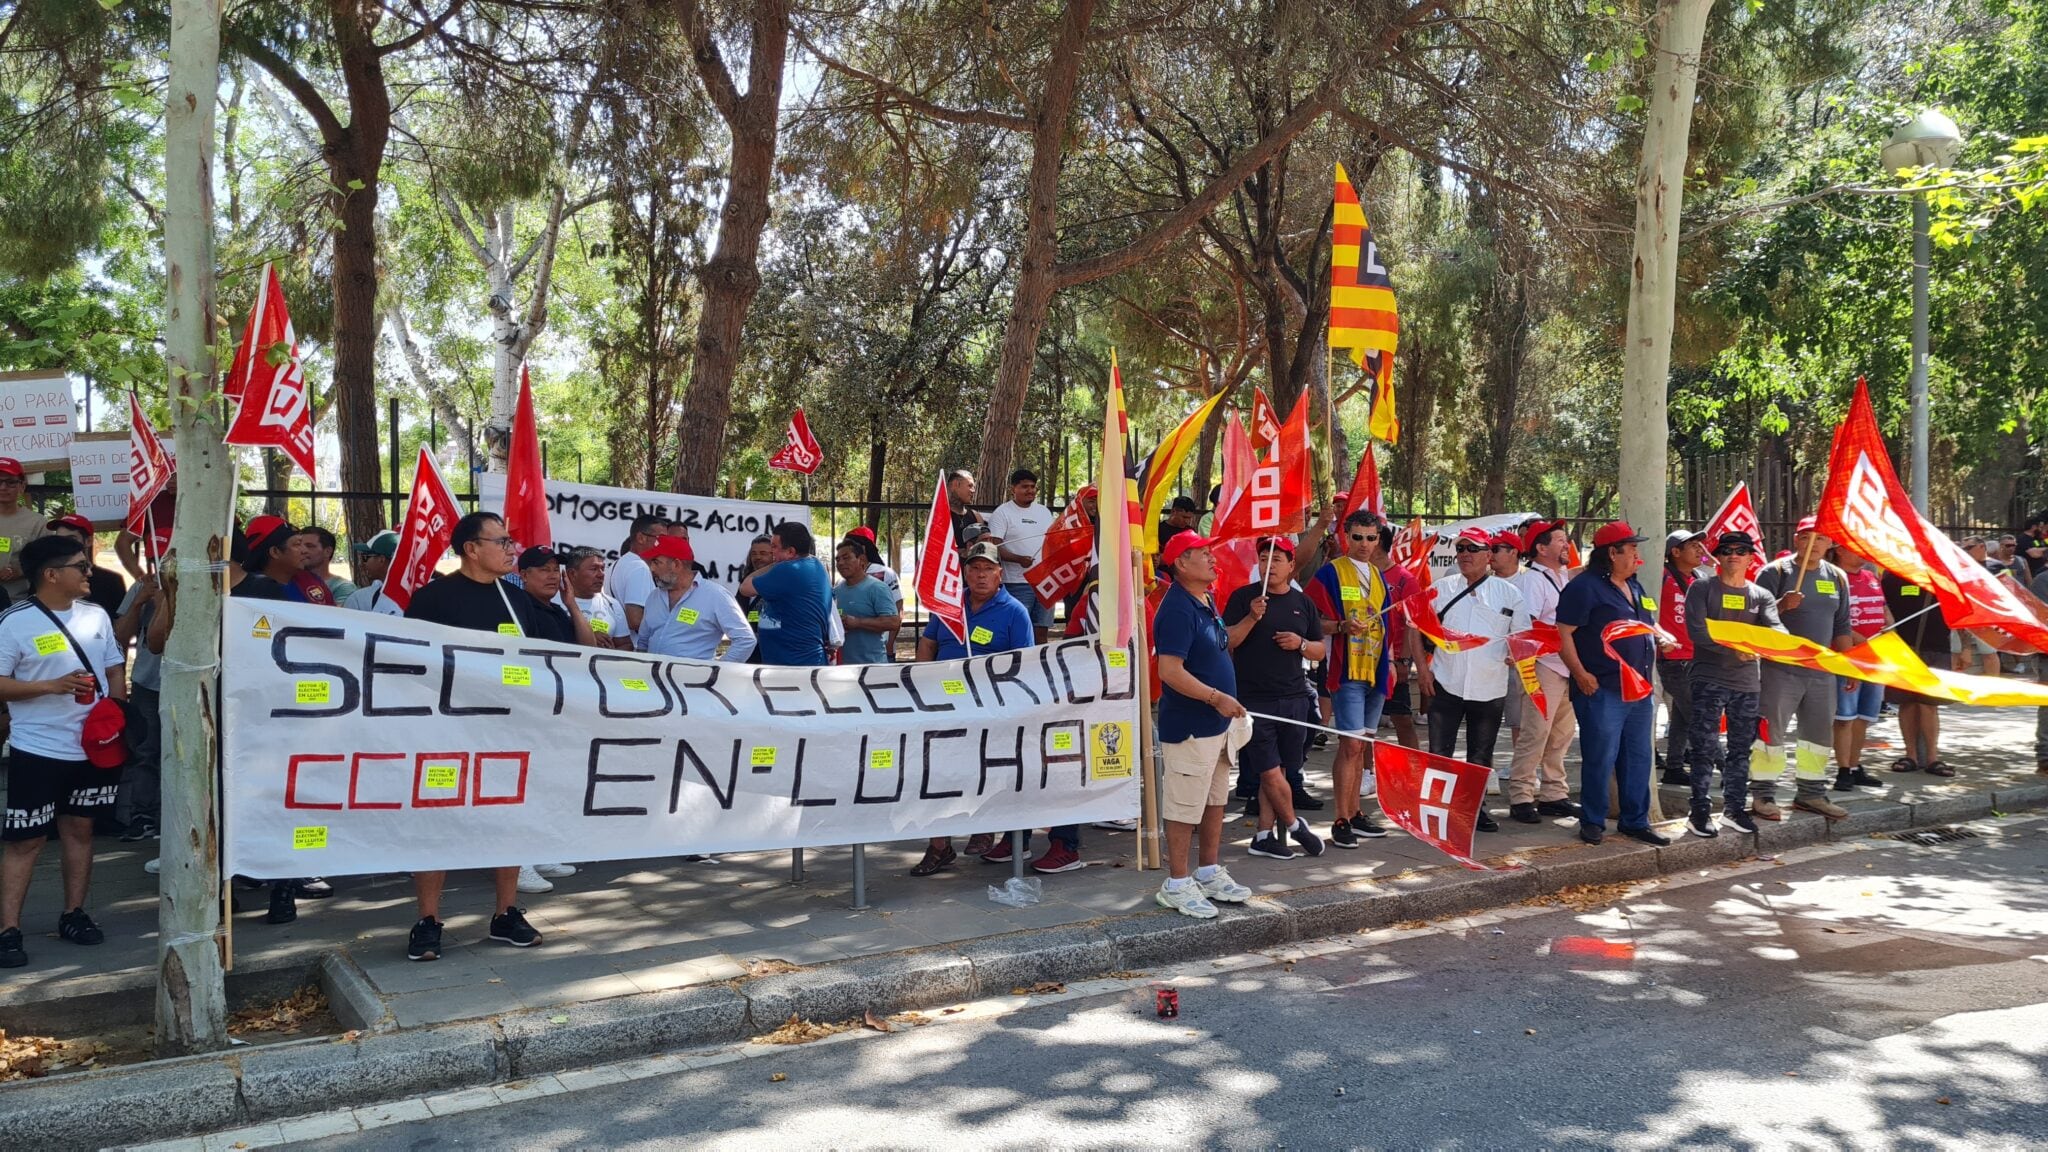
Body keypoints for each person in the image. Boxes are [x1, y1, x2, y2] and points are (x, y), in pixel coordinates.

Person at [400, 511, 548, 961]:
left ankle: (505, 913)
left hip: (506, 732)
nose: (511, 549)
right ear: (470, 548)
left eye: (511, 540)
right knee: (437, 818)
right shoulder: (434, 599)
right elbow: (410, 663)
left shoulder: (516, 600)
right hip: (446, 731)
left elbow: (536, 661)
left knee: (507, 816)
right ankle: (427, 920)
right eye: (501, 541)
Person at [0, 535, 127, 968]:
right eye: (80, 565)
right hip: (37, 749)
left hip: (92, 749)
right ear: (52, 574)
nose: (90, 571)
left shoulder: (96, 616)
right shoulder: (14, 622)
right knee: (26, 840)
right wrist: (50, 686)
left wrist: (116, 709)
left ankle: (74, 914)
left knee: (81, 832)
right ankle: (8, 930)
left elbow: (113, 664)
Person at [908, 541, 1037, 876]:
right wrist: (923, 681)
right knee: (937, 774)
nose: (981, 575)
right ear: (964, 573)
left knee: (985, 772)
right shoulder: (949, 606)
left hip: (989, 711)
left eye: (988, 569)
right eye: (975, 569)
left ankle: (984, 828)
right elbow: (928, 642)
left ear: (999, 574)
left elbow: (1024, 664)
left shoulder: (1014, 612)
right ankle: (939, 846)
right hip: (943, 706)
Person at [1150, 532, 1254, 918]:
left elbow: (1221, 647)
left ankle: (1208, 870)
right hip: (1192, 725)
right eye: (1204, 554)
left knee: (1214, 799)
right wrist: (1215, 697)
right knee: (1183, 804)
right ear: (1181, 563)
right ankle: (1177, 882)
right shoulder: (1176, 608)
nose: (1213, 559)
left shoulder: (1206, 600)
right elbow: (1170, 672)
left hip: (1218, 726)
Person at [1557, 521, 1678, 846]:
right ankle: (1593, 820)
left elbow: (1645, 623)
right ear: (1612, 553)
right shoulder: (1583, 588)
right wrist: (1580, 674)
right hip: (1602, 689)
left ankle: (1634, 820)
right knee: (1601, 756)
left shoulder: (1635, 586)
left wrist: (1662, 636)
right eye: (1632, 549)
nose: (1637, 555)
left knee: (1638, 757)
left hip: (1638, 690)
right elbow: (1563, 634)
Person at [1414, 526, 1527, 835]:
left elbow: (1522, 637)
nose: (1464, 554)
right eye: (1460, 548)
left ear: (1488, 555)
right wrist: (1422, 671)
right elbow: (1415, 627)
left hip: (1489, 685)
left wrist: (1516, 654)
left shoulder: (1510, 594)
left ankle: (1474, 811)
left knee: (1480, 754)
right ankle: (1435, 814)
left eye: (1472, 549)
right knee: (1440, 753)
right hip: (1445, 682)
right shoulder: (1441, 588)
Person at [1223, 536, 1327, 861]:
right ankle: (1296, 826)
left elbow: (1319, 650)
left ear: (1292, 565)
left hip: (1294, 695)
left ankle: (1264, 835)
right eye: (1264, 557)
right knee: (1268, 770)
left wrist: (1299, 644)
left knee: (1280, 769)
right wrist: (1252, 618)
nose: (1270, 564)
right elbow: (1227, 642)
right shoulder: (1243, 598)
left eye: (1278, 558)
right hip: (1253, 699)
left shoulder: (1303, 602)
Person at [1682, 531, 1783, 838]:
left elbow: (1775, 628)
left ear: (1751, 558)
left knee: (1741, 749)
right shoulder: (1701, 588)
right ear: (1718, 557)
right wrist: (1732, 649)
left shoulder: (1761, 595)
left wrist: (1784, 641)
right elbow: (1697, 632)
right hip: (1708, 679)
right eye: (1726, 550)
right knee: (1704, 747)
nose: (1733, 555)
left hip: (1748, 683)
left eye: (1741, 550)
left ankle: (1734, 809)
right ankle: (1698, 811)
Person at [1753, 516, 1854, 821]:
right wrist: (1782, 606)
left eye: (1820, 538)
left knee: (1818, 735)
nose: (1813, 544)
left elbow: (1842, 624)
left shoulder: (1837, 577)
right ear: (1796, 540)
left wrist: (1847, 666)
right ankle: (1762, 793)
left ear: (1830, 544)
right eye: (1806, 536)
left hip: (1821, 671)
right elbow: (1753, 618)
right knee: (1771, 733)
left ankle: (1811, 794)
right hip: (1780, 669)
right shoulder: (1775, 572)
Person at [508, 547, 597, 894]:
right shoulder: (516, 607)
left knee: (546, 784)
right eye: (542, 569)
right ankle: (519, 864)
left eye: (554, 570)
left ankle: (540, 851)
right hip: (526, 710)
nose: (550, 576)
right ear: (524, 574)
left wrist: (572, 604)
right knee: (523, 785)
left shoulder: (558, 610)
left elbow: (588, 647)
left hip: (556, 712)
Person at [1305, 511, 1394, 847]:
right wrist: (1340, 627)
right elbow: (1312, 622)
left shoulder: (1376, 574)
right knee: (1351, 745)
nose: (1364, 545)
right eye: (1357, 537)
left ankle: (1356, 813)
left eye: (1371, 538)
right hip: (1346, 670)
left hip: (1376, 670)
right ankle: (1340, 817)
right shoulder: (1330, 573)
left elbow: (1385, 624)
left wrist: (1390, 660)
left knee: (1363, 745)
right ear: (1346, 536)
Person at [1506, 519, 1581, 825]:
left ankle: (1554, 793)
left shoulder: (1561, 575)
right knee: (1535, 732)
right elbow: (1528, 626)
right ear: (1541, 548)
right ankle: (1521, 795)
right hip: (1544, 665)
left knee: (1561, 735)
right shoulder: (1533, 581)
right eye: (1561, 540)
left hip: (1566, 664)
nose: (1567, 545)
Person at [111, 570, 171, 844]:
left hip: (192, 680)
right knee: (145, 750)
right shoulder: (144, 584)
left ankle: (173, 819)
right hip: (148, 681)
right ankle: (142, 817)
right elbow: (121, 638)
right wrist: (139, 601)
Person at [637, 535, 755, 661]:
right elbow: (643, 642)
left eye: (656, 562)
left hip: (692, 680)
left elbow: (745, 639)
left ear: (676, 564)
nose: (652, 569)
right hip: (652, 677)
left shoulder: (715, 595)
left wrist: (717, 671)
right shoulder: (654, 596)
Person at [1882, 568, 1953, 777]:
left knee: (1928, 705)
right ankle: (1910, 755)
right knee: (1907, 703)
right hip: (1901, 648)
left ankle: (1933, 758)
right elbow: (1882, 608)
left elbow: (1957, 612)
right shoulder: (1891, 576)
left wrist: (1963, 647)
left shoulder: (1942, 575)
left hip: (1937, 647)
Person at [1831, 545, 1889, 791]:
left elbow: (1883, 608)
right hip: (1847, 656)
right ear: (1840, 551)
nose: (1863, 551)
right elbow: (1834, 616)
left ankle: (1855, 766)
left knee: (1865, 716)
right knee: (1845, 716)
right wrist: (1857, 638)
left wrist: (1890, 628)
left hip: (1875, 657)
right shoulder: (1832, 577)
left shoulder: (1870, 575)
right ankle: (1843, 769)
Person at [737, 522, 834, 667]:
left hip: (794, 665)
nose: (772, 552)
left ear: (790, 552)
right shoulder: (815, 563)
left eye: (774, 547)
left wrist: (775, 564)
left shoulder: (788, 570)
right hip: (793, 663)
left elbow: (745, 587)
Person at [1656, 528, 1707, 787]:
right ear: (1675, 552)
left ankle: (1674, 766)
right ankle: (1724, 766)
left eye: (1701, 545)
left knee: (1682, 715)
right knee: (1699, 714)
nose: (1700, 550)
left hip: (1696, 657)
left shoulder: (1698, 579)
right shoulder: (1662, 576)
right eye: (1693, 545)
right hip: (1673, 659)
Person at [983, 468, 1056, 644]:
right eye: (1024, 487)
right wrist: (1018, 559)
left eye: (1033, 487)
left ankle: (1040, 668)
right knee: (1018, 630)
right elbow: (994, 546)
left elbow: (1053, 540)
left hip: (1044, 582)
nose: (1030, 490)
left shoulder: (1043, 512)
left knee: (1041, 630)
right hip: (1017, 583)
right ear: (1012, 489)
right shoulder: (1003, 512)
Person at [1375, 527, 1422, 752]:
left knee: (1402, 718)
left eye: (1368, 537)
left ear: (1377, 542)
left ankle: (1413, 770)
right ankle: (1366, 773)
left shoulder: (1404, 579)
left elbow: (1413, 623)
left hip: (1393, 662)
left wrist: (1404, 661)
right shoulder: (1357, 575)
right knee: (1365, 726)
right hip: (1362, 658)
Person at [832, 539, 901, 666]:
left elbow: (893, 622)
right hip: (842, 668)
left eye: (846, 558)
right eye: (837, 560)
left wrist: (858, 622)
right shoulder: (835, 591)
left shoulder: (877, 588)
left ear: (861, 560)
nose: (841, 563)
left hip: (872, 667)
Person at [44, 514, 125, 617]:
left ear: (89, 541)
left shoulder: (111, 581)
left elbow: (121, 627)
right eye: (59, 540)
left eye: (71, 539)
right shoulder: (47, 579)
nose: (64, 544)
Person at [243, 516, 334, 605]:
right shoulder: (250, 591)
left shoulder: (311, 580)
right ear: (275, 552)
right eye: (297, 544)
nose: (305, 551)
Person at [606, 513, 667, 637]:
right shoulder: (639, 567)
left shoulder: (619, 564)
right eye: (661, 538)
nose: (664, 544)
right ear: (641, 538)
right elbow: (635, 620)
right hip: (635, 648)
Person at [0, 457, 48, 600]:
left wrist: (20, 571)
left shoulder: (37, 523)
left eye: (10, 482)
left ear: (22, 486)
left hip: (18, 603)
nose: (3, 487)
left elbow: (48, 562)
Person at [563, 547, 629, 648]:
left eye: (602, 569)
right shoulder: (553, 601)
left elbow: (626, 644)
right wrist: (589, 637)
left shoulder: (612, 604)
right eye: (593, 569)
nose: (601, 575)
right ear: (572, 574)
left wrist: (611, 653)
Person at [340, 531, 404, 616]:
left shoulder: (359, 599)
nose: (362, 563)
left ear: (381, 559)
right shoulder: (421, 595)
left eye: (365, 557)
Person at [305, 526, 355, 600]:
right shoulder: (290, 582)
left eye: (310, 546)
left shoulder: (342, 587)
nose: (303, 550)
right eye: (298, 545)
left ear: (328, 552)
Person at [946, 470, 985, 545]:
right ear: (956, 484)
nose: (973, 491)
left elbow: (983, 546)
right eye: (970, 486)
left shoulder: (976, 516)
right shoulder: (939, 515)